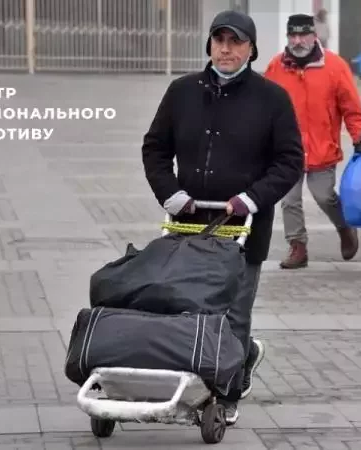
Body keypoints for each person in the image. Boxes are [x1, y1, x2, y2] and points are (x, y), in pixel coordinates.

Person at [141, 9, 303, 424]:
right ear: (209, 45)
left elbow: (288, 162)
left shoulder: (272, 98)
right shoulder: (182, 92)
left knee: (234, 313)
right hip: (188, 224)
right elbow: (155, 149)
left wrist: (252, 198)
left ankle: (226, 394)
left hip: (243, 229)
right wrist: (171, 193)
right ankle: (231, 358)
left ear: (251, 49)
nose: (226, 49)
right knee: (185, 307)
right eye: (219, 41)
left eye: (236, 42)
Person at [264, 14, 361, 269]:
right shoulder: (276, 67)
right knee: (289, 199)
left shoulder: (335, 66)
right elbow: (262, 107)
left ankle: (345, 228)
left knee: (324, 196)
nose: (298, 41)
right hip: (287, 149)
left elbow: (352, 108)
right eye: (293, 36)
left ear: (314, 35)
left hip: (323, 147)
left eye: (303, 35)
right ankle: (297, 246)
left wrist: (360, 138)